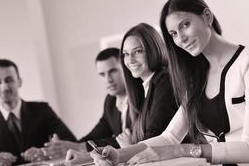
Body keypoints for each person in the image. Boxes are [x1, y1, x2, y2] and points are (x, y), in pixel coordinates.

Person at [90, 0, 249, 166]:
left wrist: (182, 150)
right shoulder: (196, 77)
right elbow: (170, 137)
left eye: (185, 25)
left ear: (207, 17)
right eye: (173, 34)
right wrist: (119, 155)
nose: (181, 38)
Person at [66, 23, 179, 165]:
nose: (130, 60)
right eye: (126, 54)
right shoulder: (145, 87)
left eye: (137, 51)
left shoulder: (164, 80)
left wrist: (127, 148)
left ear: (153, 49)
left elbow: (155, 137)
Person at [0, 59, 77, 166]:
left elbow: (73, 144)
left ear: (19, 81)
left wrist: (47, 153)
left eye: (9, 80)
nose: (4, 87)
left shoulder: (42, 110)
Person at [42, 48, 129, 160]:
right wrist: (65, 147)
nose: (108, 79)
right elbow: (96, 135)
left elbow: (126, 140)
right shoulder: (110, 100)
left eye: (113, 71)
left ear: (126, 68)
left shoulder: (140, 97)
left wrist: (80, 147)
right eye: (102, 74)